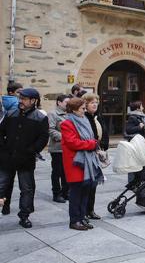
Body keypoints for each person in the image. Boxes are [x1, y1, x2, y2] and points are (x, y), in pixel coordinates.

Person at [0, 88, 49, 227]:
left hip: (25, 160)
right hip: (7, 158)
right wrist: (3, 149)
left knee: (27, 189)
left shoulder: (40, 117)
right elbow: (1, 132)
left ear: (33, 101)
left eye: (24, 99)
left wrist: (32, 150)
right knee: (1, 185)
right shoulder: (11, 113)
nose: (20, 101)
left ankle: (24, 215)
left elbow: (43, 138)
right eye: (20, 98)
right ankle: (5, 205)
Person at [60, 97, 103, 231]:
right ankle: (74, 220)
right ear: (73, 109)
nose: (84, 111)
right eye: (82, 109)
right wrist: (92, 144)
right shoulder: (67, 123)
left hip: (87, 162)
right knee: (76, 193)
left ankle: (82, 217)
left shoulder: (84, 120)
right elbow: (72, 143)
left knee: (85, 192)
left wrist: (93, 144)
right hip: (76, 162)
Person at [82, 93, 107, 220]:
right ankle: (84, 211)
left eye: (96, 102)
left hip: (97, 152)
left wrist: (103, 148)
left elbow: (104, 132)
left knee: (94, 184)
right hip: (88, 153)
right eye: (92, 102)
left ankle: (90, 210)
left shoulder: (97, 117)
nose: (95, 104)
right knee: (86, 184)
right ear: (85, 104)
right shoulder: (84, 118)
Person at [48, 94, 70, 203]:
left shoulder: (70, 114)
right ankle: (56, 193)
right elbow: (50, 130)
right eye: (66, 102)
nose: (68, 104)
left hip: (69, 148)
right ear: (59, 102)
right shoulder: (53, 114)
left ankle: (66, 192)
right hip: (57, 148)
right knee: (57, 172)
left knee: (66, 172)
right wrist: (66, 138)